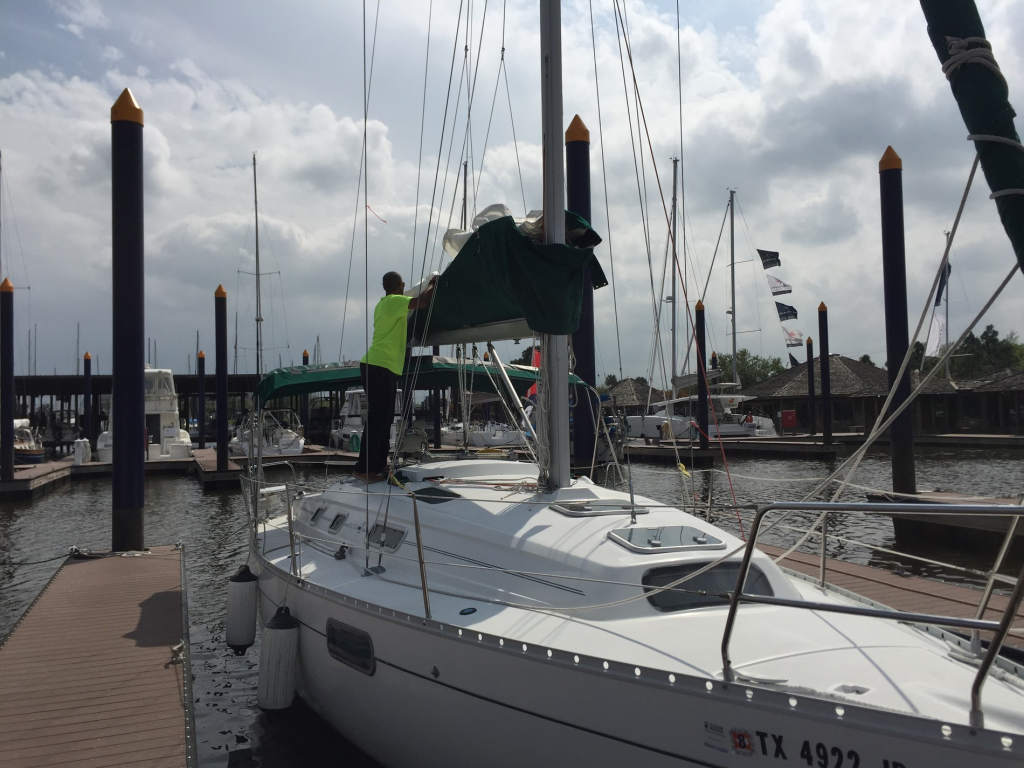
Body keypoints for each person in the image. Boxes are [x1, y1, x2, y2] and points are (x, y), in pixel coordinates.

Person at [354, 271, 437, 482]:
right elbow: (422, 301)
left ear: (384, 286)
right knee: (378, 419)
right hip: (378, 366)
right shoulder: (393, 302)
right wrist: (433, 284)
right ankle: (364, 469)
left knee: (385, 419)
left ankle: (379, 465)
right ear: (401, 285)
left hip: (383, 367)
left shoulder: (386, 304)